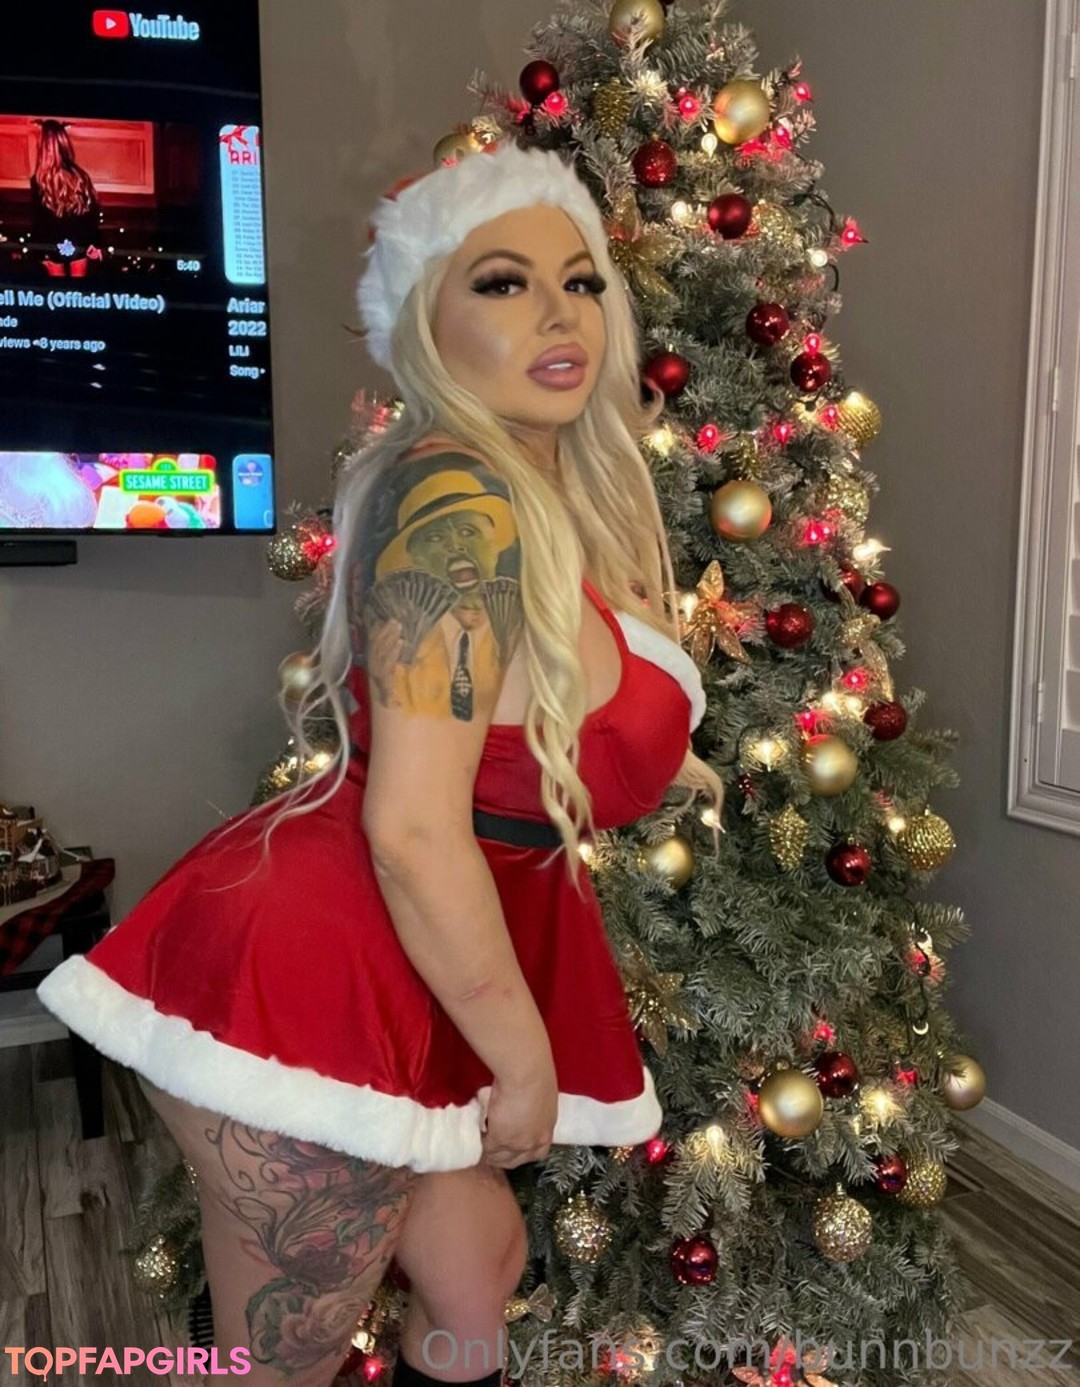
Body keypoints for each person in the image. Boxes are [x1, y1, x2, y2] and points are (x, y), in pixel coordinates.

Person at [38, 140, 725, 1387]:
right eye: (503, 282)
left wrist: (658, 763)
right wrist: (524, 1061)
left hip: (419, 955)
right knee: (290, 1350)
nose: (559, 312)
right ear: (423, 320)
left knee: (477, 1264)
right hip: (327, 962)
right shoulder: (459, 502)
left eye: (580, 281)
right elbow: (413, 828)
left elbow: (521, 736)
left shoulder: (530, 498)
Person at [29, 120, 102, 278]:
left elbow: (39, 220)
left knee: (59, 291)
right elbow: (92, 212)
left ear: (43, 148)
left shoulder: (39, 180)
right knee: (77, 290)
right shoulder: (80, 176)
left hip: (52, 243)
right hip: (79, 240)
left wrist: (37, 250)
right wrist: (94, 242)